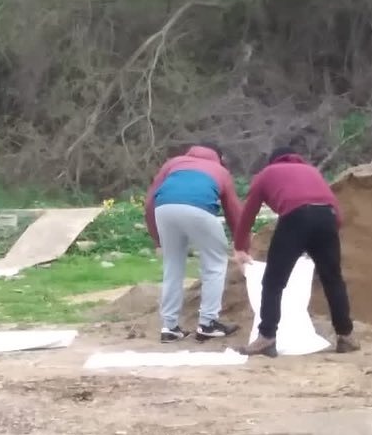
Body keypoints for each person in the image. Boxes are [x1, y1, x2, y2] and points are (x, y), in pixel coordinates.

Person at [232, 146, 359, 358]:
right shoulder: (312, 171)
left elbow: (248, 213)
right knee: (333, 280)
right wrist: (319, 241)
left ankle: (266, 338)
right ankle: (346, 336)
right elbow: (336, 210)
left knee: (273, 281)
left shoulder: (267, 174)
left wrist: (239, 247)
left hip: (295, 217)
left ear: (273, 161)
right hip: (326, 217)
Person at [144, 143, 242, 342]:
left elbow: (149, 200)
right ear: (219, 157)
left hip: (164, 209)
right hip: (200, 209)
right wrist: (241, 242)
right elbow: (233, 210)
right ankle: (208, 324)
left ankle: (169, 328)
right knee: (214, 265)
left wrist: (157, 240)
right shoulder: (220, 171)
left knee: (172, 267)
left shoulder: (173, 163)